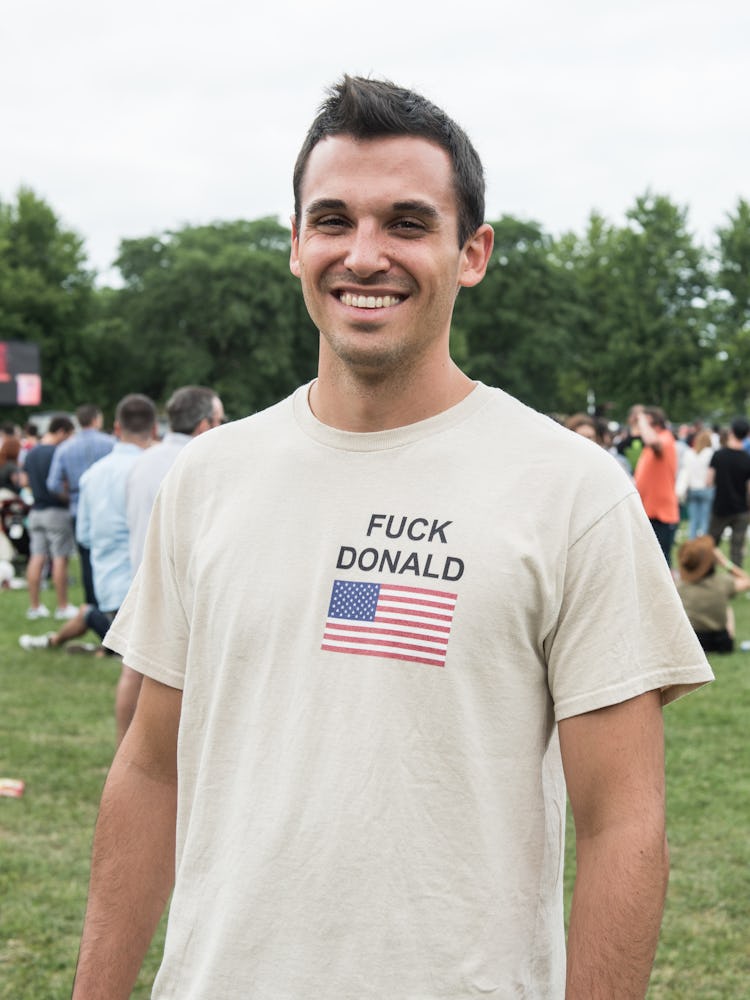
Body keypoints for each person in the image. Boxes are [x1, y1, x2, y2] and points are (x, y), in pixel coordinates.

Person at [73, 76, 713, 1000]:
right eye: (333, 220)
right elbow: (148, 771)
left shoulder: (570, 491)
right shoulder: (209, 480)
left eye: (408, 224)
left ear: (473, 252)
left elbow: (623, 825)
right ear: (296, 245)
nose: (364, 255)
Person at [76, 394, 157, 742]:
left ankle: (132, 746)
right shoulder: (153, 469)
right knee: (146, 675)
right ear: (154, 429)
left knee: (136, 670)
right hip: (146, 580)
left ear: (116, 428)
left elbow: (84, 534)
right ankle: (135, 751)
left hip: (109, 583)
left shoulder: (93, 475)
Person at [126, 385, 224, 571]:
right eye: (221, 420)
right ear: (204, 426)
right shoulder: (206, 465)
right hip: (183, 588)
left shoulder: (142, 460)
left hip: (142, 581)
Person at [46, 403, 115, 605]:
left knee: (86, 559)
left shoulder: (65, 448)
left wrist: (70, 496)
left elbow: (53, 483)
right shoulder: (110, 443)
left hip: (78, 507)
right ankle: (111, 601)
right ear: (96, 419)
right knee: (111, 556)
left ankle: (91, 603)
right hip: (107, 506)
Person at [19, 415, 78, 620]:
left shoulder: (31, 452)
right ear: (61, 431)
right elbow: (64, 481)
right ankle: (62, 606)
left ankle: (35, 607)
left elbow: (23, 480)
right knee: (60, 558)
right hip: (56, 510)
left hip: (36, 511)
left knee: (36, 557)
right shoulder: (58, 452)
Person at [676, 534, 750, 652]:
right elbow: (747, 581)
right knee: (727, 608)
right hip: (722, 643)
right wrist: (725, 562)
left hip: (693, 642)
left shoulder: (679, 586)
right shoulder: (722, 582)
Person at [633, 405, 680, 566]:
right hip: (651, 512)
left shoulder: (665, 439)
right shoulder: (657, 443)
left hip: (661, 515)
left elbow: (652, 440)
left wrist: (640, 417)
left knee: (661, 564)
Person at [706, 417, 750, 568]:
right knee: (737, 548)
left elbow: (709, 481)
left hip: (721, 507)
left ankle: (706, 572)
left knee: (711, 543)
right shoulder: (747, 458)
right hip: (741, 509)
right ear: (747, 434)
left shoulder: (718, 455)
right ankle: (736, 579)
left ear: (731, 432)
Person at [678, 429, 715, 539]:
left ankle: (692, 542)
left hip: (692, 489)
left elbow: (685, 472)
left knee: (693, 521)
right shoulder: (710, 453)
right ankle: (702, 545)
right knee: (704, 521)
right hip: (706, 488)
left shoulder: (689, 453)